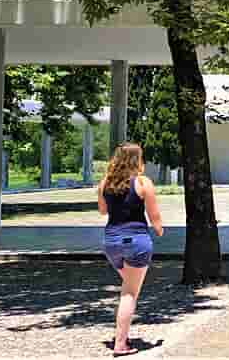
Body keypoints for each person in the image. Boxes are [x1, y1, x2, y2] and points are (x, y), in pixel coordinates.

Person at [96, 143, 163, 356]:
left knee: (129, 287)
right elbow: (154, 216)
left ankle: (122, 336)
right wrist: (160, 230)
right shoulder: (143, 183)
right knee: (130, 293)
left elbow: (102, 211)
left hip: (111, 242)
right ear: (137, 160)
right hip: (136, 242)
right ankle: (120, 344)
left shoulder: (105, 182)